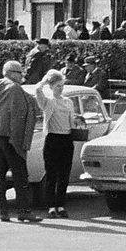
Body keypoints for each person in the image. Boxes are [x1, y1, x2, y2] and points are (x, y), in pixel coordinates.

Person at [0, 60, 41, 222]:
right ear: (13, 73)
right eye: (21, 73)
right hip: (11, 137)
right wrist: (20, 143)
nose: (23, 76)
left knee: (0, 173)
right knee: (20, 174)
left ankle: (3, 212)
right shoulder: (14, 88)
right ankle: (24, 211)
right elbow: (18, 116)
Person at [34, 69, 75, 218]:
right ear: (51, 87)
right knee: (52, 174)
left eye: (62, 86)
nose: (60, 89)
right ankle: (51, 206)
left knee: (64, 174)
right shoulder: (48, 101)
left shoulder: (68, 101)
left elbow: (72, 120)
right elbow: (37, 90)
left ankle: (61, 205)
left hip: (66, 139)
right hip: (52, 139)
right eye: (58, 86)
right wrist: (46, 79)